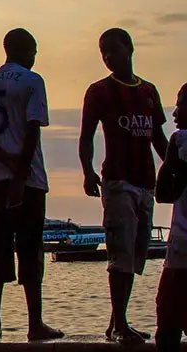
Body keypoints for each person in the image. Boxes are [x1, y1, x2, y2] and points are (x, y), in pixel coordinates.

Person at [0, 28, 63, 341]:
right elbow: (32, 129)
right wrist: (20, 175)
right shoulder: (33, 82)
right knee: (30, 248)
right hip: (29, 178)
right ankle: (35, 323)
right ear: (26, 50)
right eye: (34, 51)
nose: (35, 57)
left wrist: (4, 160)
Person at [79, 28, 168, 345]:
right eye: (102, 51)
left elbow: (158, 138)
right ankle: (120, 325)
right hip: (118, 182)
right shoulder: (99, 91)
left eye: (112, 49)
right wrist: (88, 170)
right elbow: (87, 135)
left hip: (146, 183)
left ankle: (116, 322)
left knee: (136, 254)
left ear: (128, 48)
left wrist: (173, 170)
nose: (107, 57)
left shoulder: (148, 91)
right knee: (120, 253)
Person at [155, 83, 187, 352]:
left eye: (180, 104)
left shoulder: (180, 140)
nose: (175, 113)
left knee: (168, 320)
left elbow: (162, 193)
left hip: (182, 248)